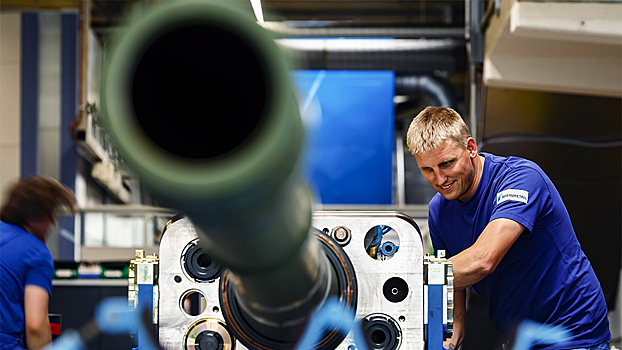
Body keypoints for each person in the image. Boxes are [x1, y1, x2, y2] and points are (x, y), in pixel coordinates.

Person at [406, 107, 610, 350]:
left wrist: (405, 277)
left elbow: (483, 260)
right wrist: (447, 342)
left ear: (471, 148)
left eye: (447, 164)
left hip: (572, 333)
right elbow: (454, 287)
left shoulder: (520, 179)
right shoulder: (439, 212)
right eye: (427, 170)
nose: (440, 180)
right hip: (519, 339)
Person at [0, 176, 75, 350]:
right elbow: (36, 327)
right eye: (50, 215)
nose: (53, 223)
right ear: (34, 216)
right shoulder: (35, 252)